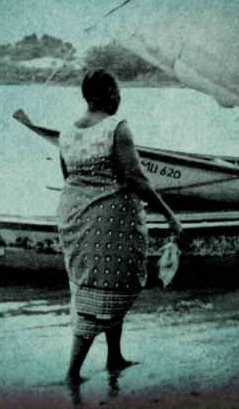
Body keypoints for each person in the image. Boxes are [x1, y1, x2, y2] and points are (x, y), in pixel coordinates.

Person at [57, 69, 183, 387]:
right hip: (108, 224)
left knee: (96, 287)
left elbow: (68, 177)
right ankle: (73, 373)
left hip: (74, 219)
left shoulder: (66, 131)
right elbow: (136, 178)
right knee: (103, 292)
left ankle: (114, 356)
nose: (119, 96)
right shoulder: (117, 128)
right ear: (100, 95)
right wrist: (170, 216)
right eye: (115, 91)